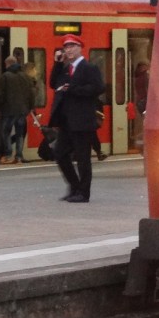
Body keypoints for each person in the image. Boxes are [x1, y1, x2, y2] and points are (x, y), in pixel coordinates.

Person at [48, 34, 105, 203]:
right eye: (66, 47)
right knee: (60, 153)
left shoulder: (89, 68)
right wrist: (57, 63)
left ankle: (84, 193)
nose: (69, 50)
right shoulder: (66, 69)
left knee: (83, 158)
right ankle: (74, 186)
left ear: (80, 48)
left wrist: (74, 89)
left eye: (72, 46)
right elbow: (53, 83)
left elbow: (98, 88)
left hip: (82, 120)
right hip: (66, 121)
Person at [0, 55, 34, 164]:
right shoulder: (25, 76)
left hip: (9, 110)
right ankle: (19, 156)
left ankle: (8, 155)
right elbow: (31, 93)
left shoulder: (5, 76)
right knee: (20, 133)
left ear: (7, 64)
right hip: (22, 110)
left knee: (6, 132)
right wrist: (30, 107)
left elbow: (0, 94)